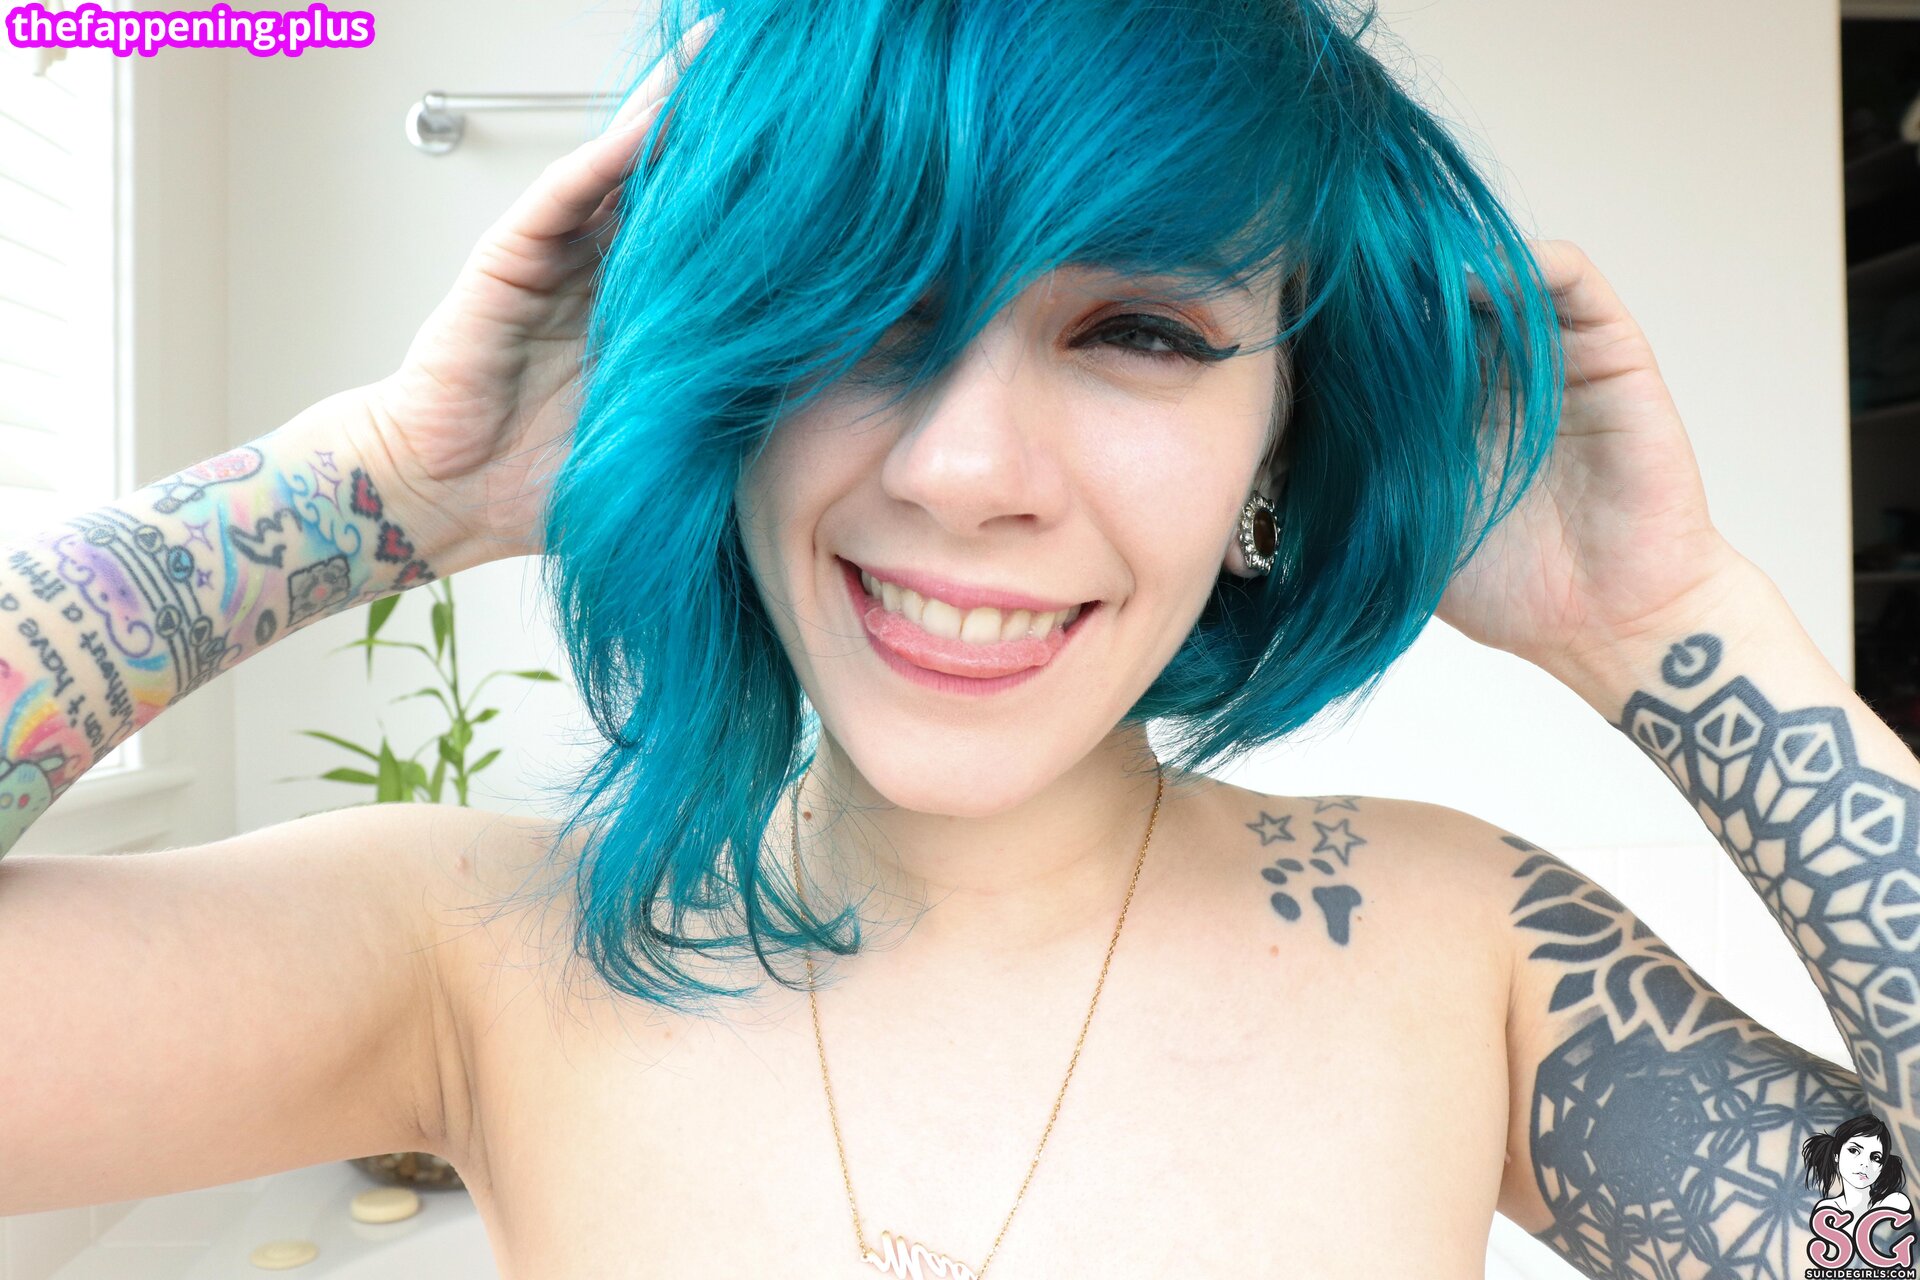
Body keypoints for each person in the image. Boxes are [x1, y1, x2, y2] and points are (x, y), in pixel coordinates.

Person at [0, 2, 1914, 1277]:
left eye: (1140, 332)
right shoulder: (469, 953)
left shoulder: (1467, 950)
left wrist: (1671, 632)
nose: (967, 470)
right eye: (865, 314)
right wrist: (386, 485)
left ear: (1281, 427)